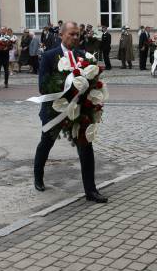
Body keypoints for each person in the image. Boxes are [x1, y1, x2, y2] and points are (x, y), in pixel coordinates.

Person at [34, 21, 107, 203]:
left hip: (79, 110)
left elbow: (91, 81)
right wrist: (67, 86)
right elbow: (43, 86)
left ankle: (91, 190)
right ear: (61, 34)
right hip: (55, 111)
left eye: (77, 34)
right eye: (71, 34)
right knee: (46, 144)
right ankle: (38, 177)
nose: (75, 37)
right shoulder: (50, 56)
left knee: (85, 147)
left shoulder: (84, 56)